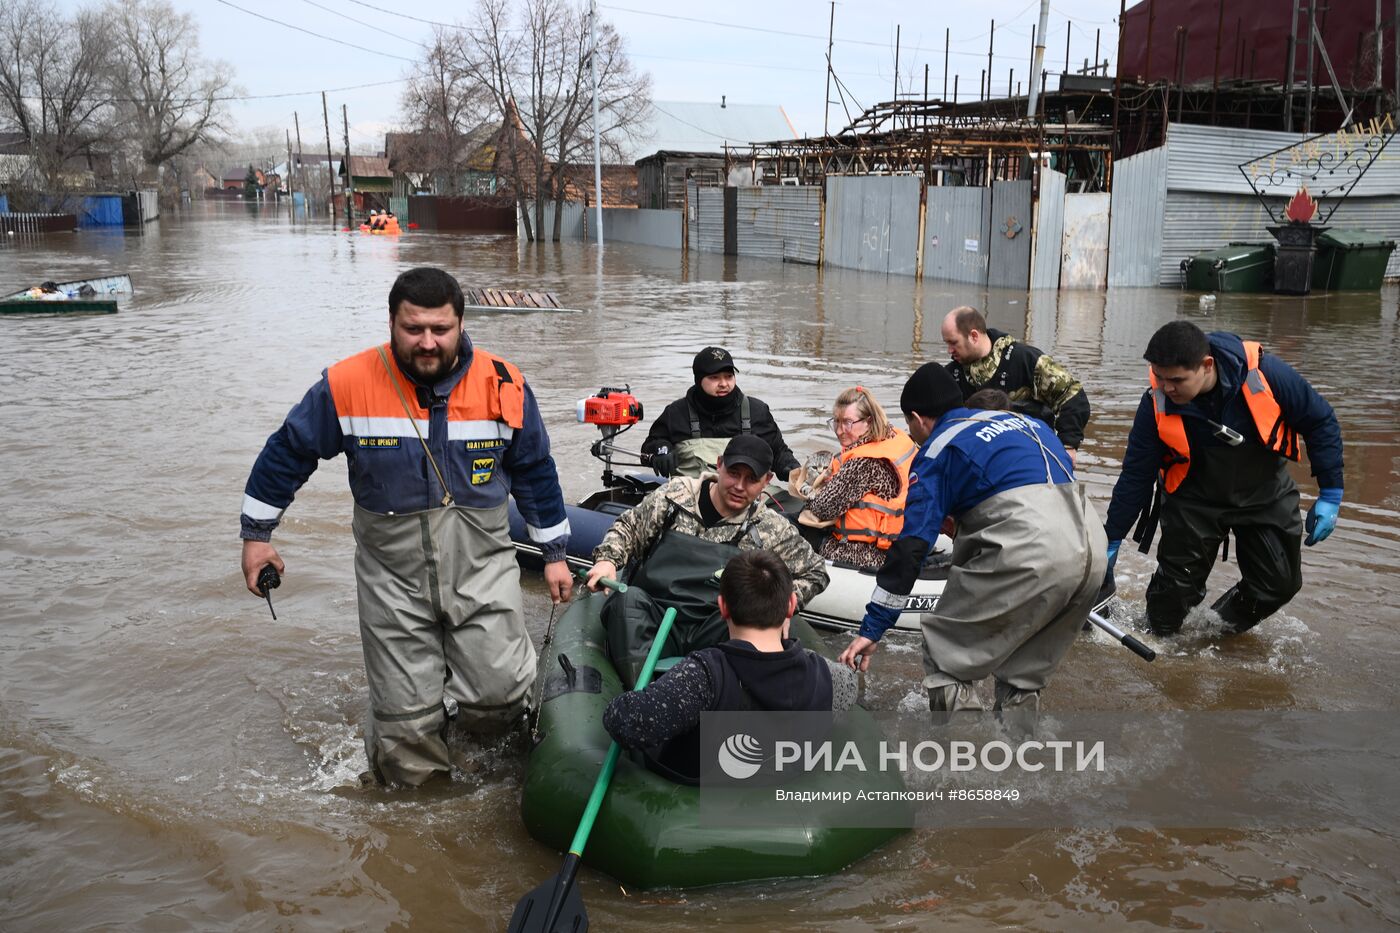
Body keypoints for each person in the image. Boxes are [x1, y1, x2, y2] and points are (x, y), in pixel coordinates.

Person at [238, 266, 573, 787]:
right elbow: (288, 452)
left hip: (481, 567)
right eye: (412, 328)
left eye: (440, 329)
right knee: (406, 729)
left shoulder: (504, 383)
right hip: (392, 578)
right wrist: (257, 537)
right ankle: (416, 807)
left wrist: (553, 553)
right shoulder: (346, 384)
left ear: (461, 323)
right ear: (392, 323)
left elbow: (534, 469)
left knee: (501, 692)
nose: (427, 342)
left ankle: (484, 769)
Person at [838, 363, 1106, 714]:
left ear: (918, 419)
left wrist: (873, 628)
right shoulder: (1032, 424)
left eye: (910, 425)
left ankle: (958, 762)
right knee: (1022, 677)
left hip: (1032, 553)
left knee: (946, 660)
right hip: (1092, 550)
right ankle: (1019, 754)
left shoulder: (936, 449)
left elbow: (911, 547)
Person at [1103, 321, 1343, 637]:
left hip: (1264, 493)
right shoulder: (1155, 402)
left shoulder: (1267, 375)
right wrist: (1113, 535)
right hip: (1192, 498)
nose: (1166, 388)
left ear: (1206, 366)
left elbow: (1320, 420)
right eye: (1159, 377)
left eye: (1176, 380)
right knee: (1173, 595)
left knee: (1279, 584)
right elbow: (1137, 473)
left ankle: (1211, 635)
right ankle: (1162, 640)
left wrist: (1331, 491)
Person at [585, 434, 829, 687]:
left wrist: (783, 607)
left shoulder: (771, 528)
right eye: (734, 473)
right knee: (626, 601)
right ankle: (641, 693)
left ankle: (715, 696)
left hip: (720, 625)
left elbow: (816, 572)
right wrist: (608, 559)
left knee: (752, 622)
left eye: (752, 480)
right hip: (654, 616)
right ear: (719, 464)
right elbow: (629, 527)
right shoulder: (674, 497)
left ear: (767, 481)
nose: (739, 486)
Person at [602, 549, 856, 783]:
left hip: (694, 802)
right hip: (775, 794)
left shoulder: (700, 677)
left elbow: (623, 722)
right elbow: (852, 683)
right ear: (791, 605)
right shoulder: (833, 677)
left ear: (723, 607)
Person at [941, 307, 1091, 461]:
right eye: (947, 343)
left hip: (1031, 455)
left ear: (973, 336)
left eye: (953, 343)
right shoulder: (951, 375)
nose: (949, 350)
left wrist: (1068, 445)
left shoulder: (1025, 360)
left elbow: (1072, 396)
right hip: (979, 460)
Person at [799, 386, 919, 571]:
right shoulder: (894, 436)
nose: (839, 431)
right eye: (836, 422)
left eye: (847, 423)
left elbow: (824, 508)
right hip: (896, 545)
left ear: (868, 421)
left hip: (864, 554)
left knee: (795, 527)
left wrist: (813, 492)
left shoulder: (863, 462)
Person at [640, 346, 801, 481]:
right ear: (699, 380)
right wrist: (661, 449)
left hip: (750, 496)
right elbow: (648, 448)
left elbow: (779, 453)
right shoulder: (676, 412)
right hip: (691, 497)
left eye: (729, 376)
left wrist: (794, 470)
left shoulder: (757, 411)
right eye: (715, 377)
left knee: (801, 510)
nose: (724, 384)